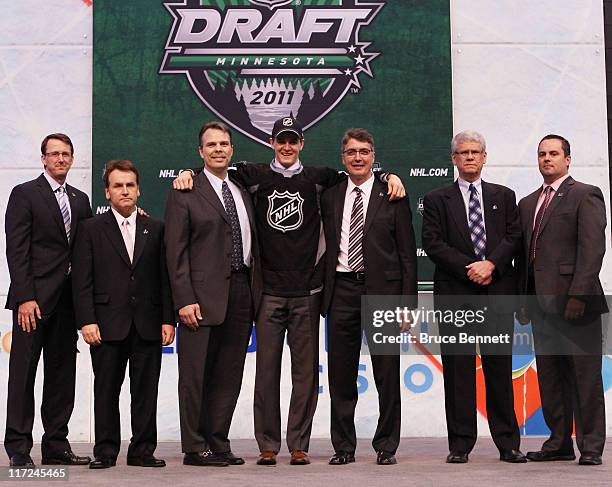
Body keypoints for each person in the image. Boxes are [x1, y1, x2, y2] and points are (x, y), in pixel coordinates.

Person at [173, 116, 405, 465]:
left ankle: (299, 444)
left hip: (309, 293)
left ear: (301, 144)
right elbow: (212, 171)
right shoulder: (250, 177)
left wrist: (390, 175)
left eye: (293, 140)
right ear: (271, 143)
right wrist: (188, 171)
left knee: (306, 375)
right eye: (281, 140)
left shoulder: (320, 179)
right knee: (266, 374)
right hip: (266, 293)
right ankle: (268, 444)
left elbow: (362, 176)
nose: (286, 146)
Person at [421, 130, 524, 464]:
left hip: (497, 293)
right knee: (458, 370)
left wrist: (491, 263)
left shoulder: (504, 196)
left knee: (498, 368)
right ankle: (460, 444)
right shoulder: (437, 199)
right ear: (453, 159)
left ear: (484, 157)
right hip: (456, 294)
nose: (469, 157)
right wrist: (472, 267)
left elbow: (514, 236)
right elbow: (433, 243)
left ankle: (508, 443)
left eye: (474, 152)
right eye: (462, 152)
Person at [165, 121, 262, 467]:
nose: (218, 149)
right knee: (194, 376)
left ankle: (218, 440)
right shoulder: (185, 190)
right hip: (200, 298)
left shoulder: (242, 186)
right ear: (200, 152)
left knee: (228, 373)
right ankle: (194, 446)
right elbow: (175, 253)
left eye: (224, 144)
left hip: (241, 290)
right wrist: (184, 299)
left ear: (232, 150)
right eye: (211, 145)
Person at [320, 128, 417, 465]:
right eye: (351, 152)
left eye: (363, 151)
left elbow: (407, 254)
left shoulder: (393, 193)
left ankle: (387, 446)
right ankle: (343, 447)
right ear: (343, 157)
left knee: (387, 374)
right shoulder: (330, 195)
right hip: (341, 290)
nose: (357, 157)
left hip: (385, 293)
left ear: (373, 156)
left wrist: (408, 305)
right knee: (340, 376)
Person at [72, 160, 175, 469]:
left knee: (145, 392)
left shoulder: (155, 228)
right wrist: (87, 320)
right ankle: (105, 451)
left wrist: (168, 319)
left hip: (147, 323)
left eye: (130, 184)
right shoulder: (90, 229)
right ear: (107, 192)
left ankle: (143, 450)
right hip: (105, 325)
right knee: (105, 391)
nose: (125, 190)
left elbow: (165, 278)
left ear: (139, 189)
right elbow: (81, 279)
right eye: (118, 185)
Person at [518, 134, 607, 466]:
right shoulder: (528, 203)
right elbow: (526, 258)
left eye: (553, 154)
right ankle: (559, 442)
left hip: (577, 303)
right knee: (550, 377)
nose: (546, 159)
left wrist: (579, 295)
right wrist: (524, 302)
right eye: (542, 154)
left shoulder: (585, 195)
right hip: (541, 306)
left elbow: (592, 249)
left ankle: (592, 446)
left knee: (585, 376)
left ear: (567, 159)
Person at [4, 133, 92, 467]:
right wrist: (25, 297)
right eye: (53, 154)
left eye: (65, 154)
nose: (59, 159)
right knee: (23, 375)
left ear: (72, 158)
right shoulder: (25, 194)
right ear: (43, 159)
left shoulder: (80, 200)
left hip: (68, 303)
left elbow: (87, 247)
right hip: (33, 302)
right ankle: (18, 448)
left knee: (61, 375)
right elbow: (17, 249)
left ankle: (56, 444)